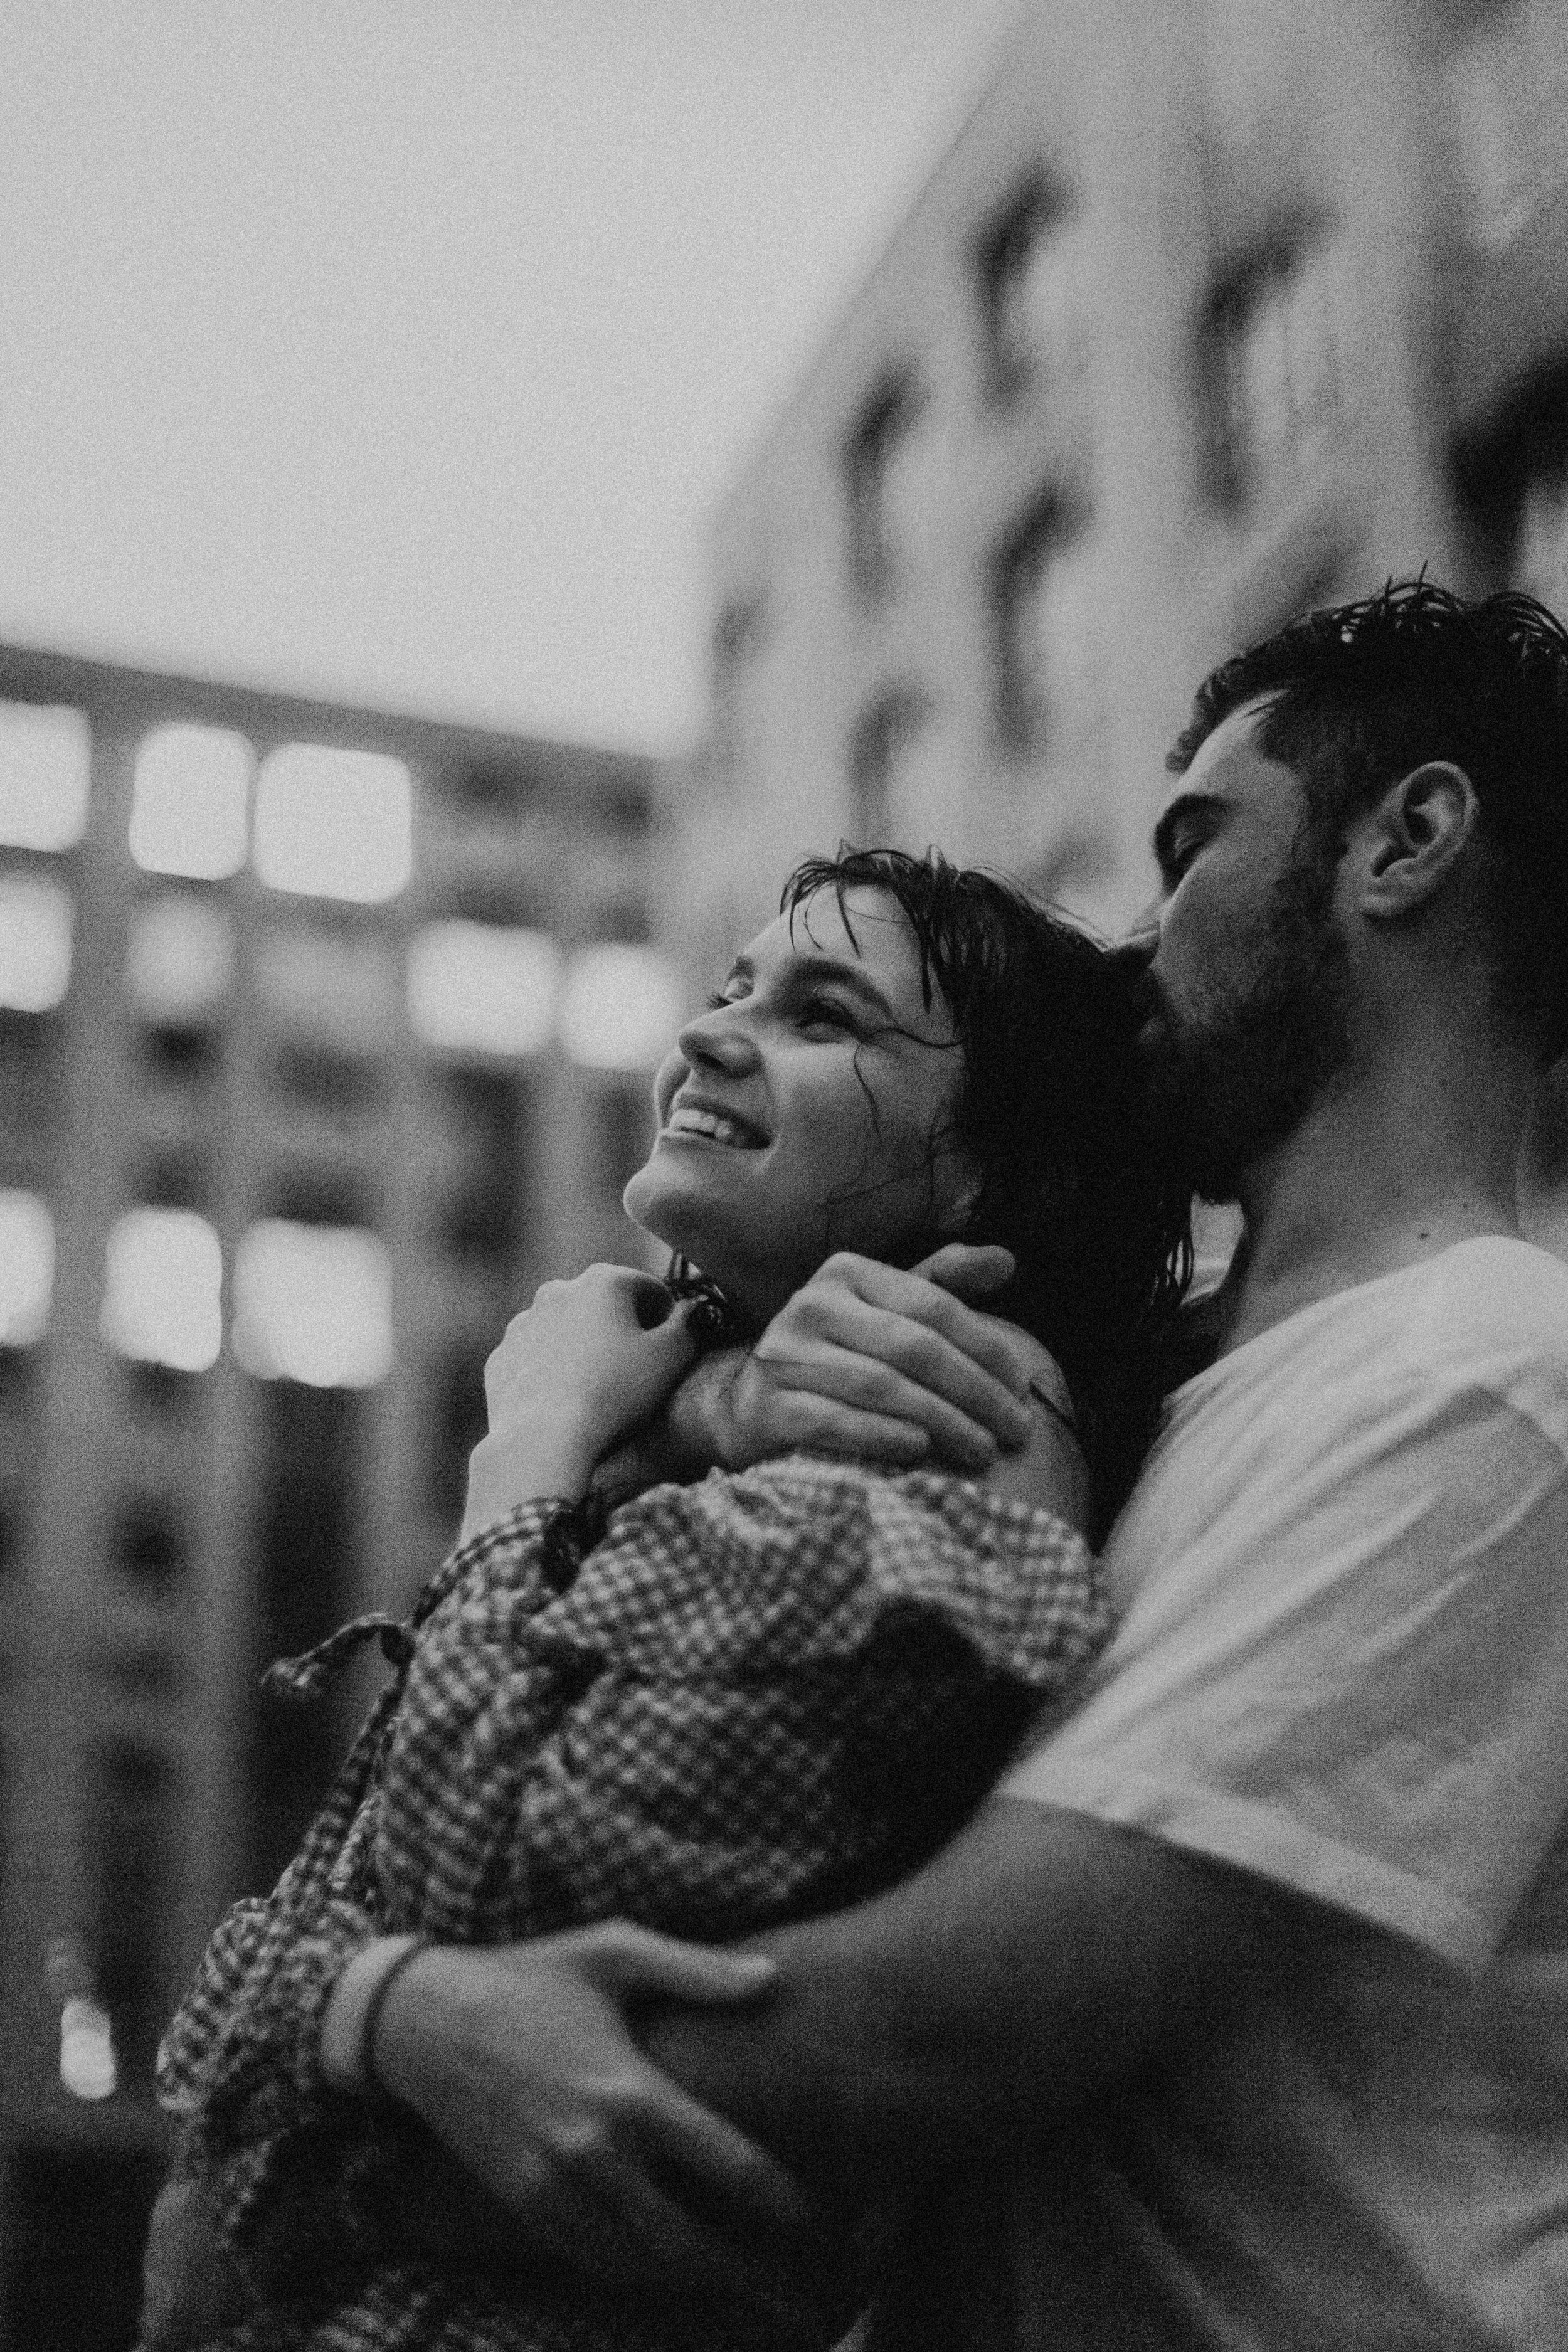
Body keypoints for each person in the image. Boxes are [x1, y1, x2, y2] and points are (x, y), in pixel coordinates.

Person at [255, 580, 1568, 2352]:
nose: (1136, 936)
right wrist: (694, 1410)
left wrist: (321, 2094)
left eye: (1191, 846)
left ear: (1403, 838)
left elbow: (926, 2034)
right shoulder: (1139, 1412)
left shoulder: (1481, 1378)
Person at [142, 849, 1188, 2351]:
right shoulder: (704, 1460)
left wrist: (525, 1456)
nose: (705, 1038)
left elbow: (471, 1903)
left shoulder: (943, 1447)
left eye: (823, 1016)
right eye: (727, 991)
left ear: (992, 1169)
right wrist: (378, 2011)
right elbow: (268, 2006)